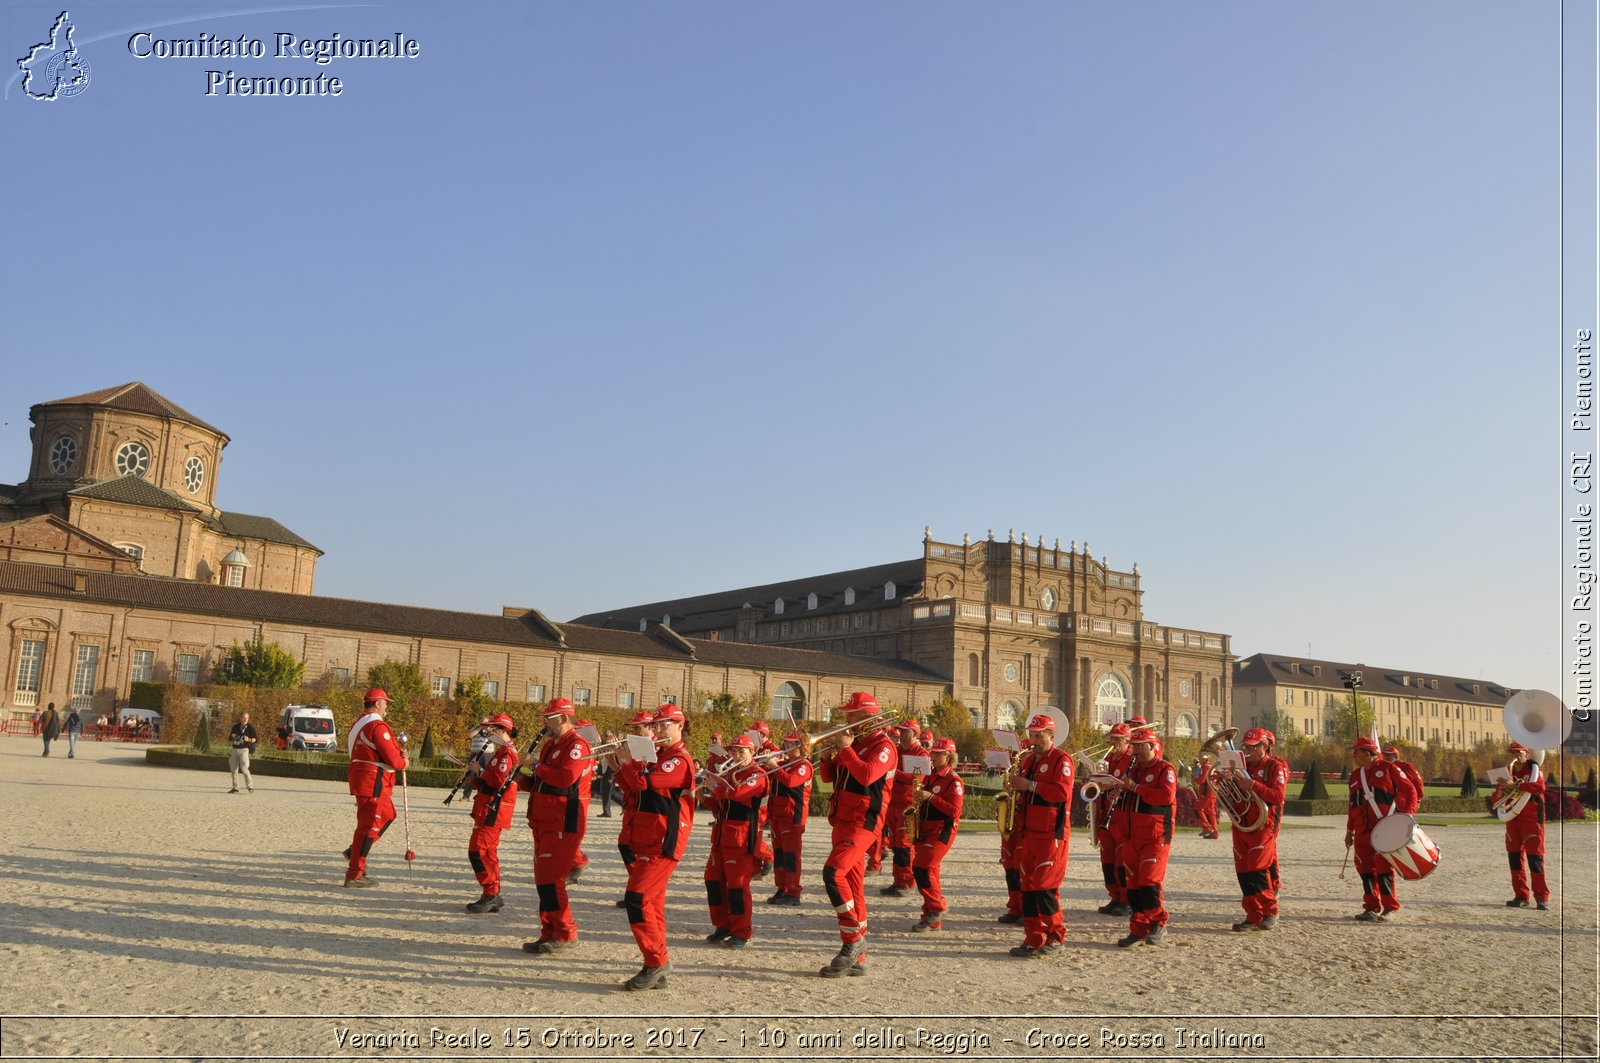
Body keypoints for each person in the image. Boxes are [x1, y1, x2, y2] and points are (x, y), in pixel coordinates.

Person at [815, 691, 898, 978]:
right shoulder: (857, 742)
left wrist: (846, 749)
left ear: (866, 717)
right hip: (842, 819)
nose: (845, 720)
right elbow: (829, 778)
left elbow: (866, 775)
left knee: (832, 873)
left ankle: (851, 941)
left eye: (850, 715)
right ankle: (858, 957)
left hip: (864, 821)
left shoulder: (884, 745)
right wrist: (827, 757)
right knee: (854, 885)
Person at [615, 703, 696, 991]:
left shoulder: (678, 759)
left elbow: (643, 782)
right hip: (648, 838)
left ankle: (655, 962)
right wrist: (620, 764)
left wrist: (628, 763)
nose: (660, 729)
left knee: (637, 898)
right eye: (658, 724)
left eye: (665, 724)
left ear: (680, 725)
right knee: (653, 904)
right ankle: (658, 963)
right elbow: (632, 790)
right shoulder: (659, 756)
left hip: (664, 840)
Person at [521, 697, 591, 954]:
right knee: (543, 880)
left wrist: (535, 765)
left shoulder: (577, 745)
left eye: (548, 718)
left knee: (551, 879)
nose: (544, 722)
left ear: (562, 718)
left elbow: (565, 778)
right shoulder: (552, 746)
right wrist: (520, 777)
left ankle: (565, 932)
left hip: (564, 820)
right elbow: (542, 783)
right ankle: (548, 931)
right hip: (544, 820)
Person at [1005, 713, 1073, 957]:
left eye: (1038, 736)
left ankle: (1055, 936)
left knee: (1044, 887)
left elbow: (1062, 792)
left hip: (1050, 833)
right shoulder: (1029, 760)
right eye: (1031, 735)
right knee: (1029, 887)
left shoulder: (1062, 760)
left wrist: (1030, 785)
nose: (1033, 741)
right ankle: (1034, 937)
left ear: (1051, 736)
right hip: (1029, 832)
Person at [702, 734, 767, 948]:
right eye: (733, 751)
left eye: (742, 751)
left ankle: (742, 931)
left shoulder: (757, 774)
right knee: (713, 881)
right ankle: (723, 925)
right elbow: (718, 806)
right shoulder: (730, 774)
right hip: (722, 836)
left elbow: (737, 795)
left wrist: (716, 787)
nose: (736, 755)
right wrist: (700, 795)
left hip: (741, 838)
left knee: (737, 887)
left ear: (752, 753)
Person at [1345, 736, 1419, 921]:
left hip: (1384, 828)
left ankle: (1389, 906)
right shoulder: (1355, 776)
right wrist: (1349, 830)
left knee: (1384, 867)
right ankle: (1370, 906)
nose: (1354, 755)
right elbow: (1352, 805)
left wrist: (1408, 816)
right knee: (1364, 869)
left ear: (1368, 753)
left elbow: (1411, 791)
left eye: (1357, 752)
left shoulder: (1388, 768)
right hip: (1362, 831)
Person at [1114, 727, 1176, 947]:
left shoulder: (1164, 769)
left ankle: (1158, 923)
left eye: (1140, 746)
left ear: (1152, 746)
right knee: (1133, 885)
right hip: (1132, 836)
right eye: (1134, 746)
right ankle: (1138, 928)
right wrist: (1117, 793)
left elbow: (1165, 797)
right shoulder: (1134, 770)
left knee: (1149, 882)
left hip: (1155, 836)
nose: (1136, 750)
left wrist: (1136, 787)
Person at [344, 689, 408, 887]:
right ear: (378, 703)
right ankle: (355, 873)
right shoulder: (377, 725)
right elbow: (393, 759)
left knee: (388, 814)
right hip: (374, 780)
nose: (387, 706)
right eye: (386, 702)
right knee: (368, 826)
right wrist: (403, 761)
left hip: (365, 777)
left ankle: (354, 851)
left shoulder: (359, 722)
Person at [1226, 728, 1288, 930]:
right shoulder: (1241, 765)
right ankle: (1253, 914)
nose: (1248, 751)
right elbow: (1232, 796)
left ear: (1265, 746)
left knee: (1257, 868)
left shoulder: (1275, 766)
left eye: (1253, 747)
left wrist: (1251, 784)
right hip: (1242, 823)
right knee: (1243, 871)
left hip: (1263, 824)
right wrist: (1225, 781)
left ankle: (1270, 911)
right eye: (1246, 747)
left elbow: (1277, 796)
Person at [463, 714, 520, 913]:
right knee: (488, 853)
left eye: (494, 729)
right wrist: (475, 780)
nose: (489, 732)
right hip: (488, 807)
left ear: (504, 731)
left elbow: (498, 781)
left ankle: (490, 893)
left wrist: (480, 771)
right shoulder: (501, 752)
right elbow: (490, 780)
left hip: (494, 809)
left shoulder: (507, 753)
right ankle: (492, 893)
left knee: (477, 852)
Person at [910, 737, 964, 931]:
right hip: (927, 828)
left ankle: (937, 907)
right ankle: (932, 919)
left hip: (943, 830)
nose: (933, 756)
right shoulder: (930, 775)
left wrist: (930, 797)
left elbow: (954, 811)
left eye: (939, 754)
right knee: (931, 872)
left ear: (949, 756)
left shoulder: (953, 780)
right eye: (933, 753)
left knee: (921, 867)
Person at [611, 709, 659, 908]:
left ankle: (639, 892)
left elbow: (642, 781)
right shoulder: (639, 746)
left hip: (649, 808)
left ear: (649, 727)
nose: (634, 732)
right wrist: (614, 762)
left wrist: (624, 762)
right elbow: (630, 782)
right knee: (626, 846)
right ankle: (635, 890)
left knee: (636, 851)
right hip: (634, 803)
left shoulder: (656, 748)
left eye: (637, 727)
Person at [1497, 741, 1550, 910]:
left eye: (1518, 753)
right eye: (1512, 753)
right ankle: (1520, 895)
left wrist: (1517, 785)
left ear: (1526, 754)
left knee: (1535, 859)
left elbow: (1540, 786)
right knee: (1514, 859)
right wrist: (1501, 791)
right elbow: (1495, 799)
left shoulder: (1534, 770)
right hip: (1513, 819)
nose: (1514, 757)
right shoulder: (1507, 773)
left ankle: (1542, 897)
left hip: (1532, 819)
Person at [880, 721, 928, 897]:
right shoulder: (898, 750)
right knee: (895, 845)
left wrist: (893, 772)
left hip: (907, 805)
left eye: (904, 731)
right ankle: (897, 880)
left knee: (904, 845)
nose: (900, 734)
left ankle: (907, 882)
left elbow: (917, 777)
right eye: (900, 731)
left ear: (914, 734)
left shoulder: (921, 753)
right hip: (894, 802)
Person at [766, 728, 813, 906]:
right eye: (786, 742)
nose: (786, 745)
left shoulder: (804, 765)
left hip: (793, 817)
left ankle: (794, 892)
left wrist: (774, 766)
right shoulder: (785, 763)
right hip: (778, 815)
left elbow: (791, 781)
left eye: (791, 743)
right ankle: (782, 888)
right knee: (779, 854)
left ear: (800, 746)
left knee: (791, 856)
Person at [1094, 723, 1134, 916]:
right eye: (1111, 738)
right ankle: (1115, 896)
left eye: (1117, 739)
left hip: (1121, 815)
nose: (1112, 742)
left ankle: (1126, 900)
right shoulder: (1109, 757)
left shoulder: (1131, 758)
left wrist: (1116, 788)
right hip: (1106, 813)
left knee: (1121, 861)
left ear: (1127, 741)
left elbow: (1133, 785)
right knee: (1107, 860)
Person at [227, 712, 258, 793]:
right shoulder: (235, 726)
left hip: (244, 750)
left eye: (246, 718)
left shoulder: (250, 728)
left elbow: (255, 739)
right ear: (240, 718)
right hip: (234, 749)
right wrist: (233, 736)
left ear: (248, 719)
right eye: (243, 718)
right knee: (233, 769)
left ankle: (250, 787)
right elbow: (230, 738)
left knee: (244, 769)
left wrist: (249, 739)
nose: (245, 719)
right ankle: (235, 787)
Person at [1192, 752, 1219, 839]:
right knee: (1211, 812)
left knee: (1198, 809)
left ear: (1205, 759)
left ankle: (1207, 828)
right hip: (1213, 790)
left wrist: (1194, 778)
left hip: (1207, 792)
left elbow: (1201, 780)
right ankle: (1214, 832)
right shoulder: (1211, 766)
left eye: (1201, 758)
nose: (1199, 760)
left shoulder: (1205, 767)